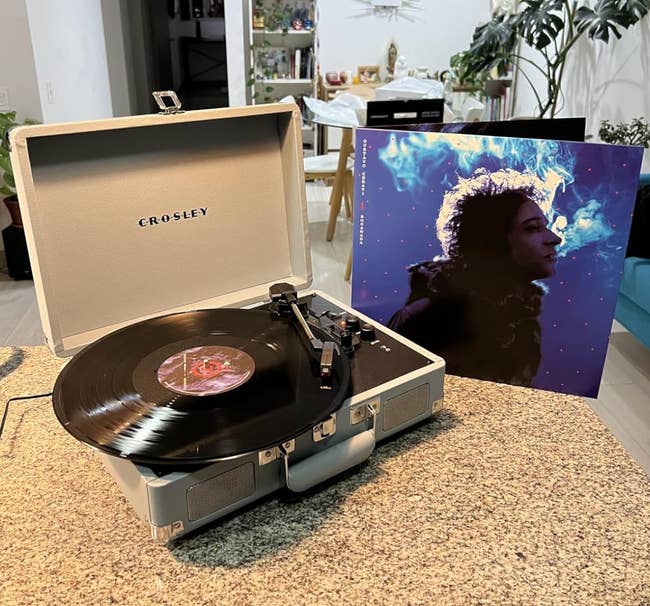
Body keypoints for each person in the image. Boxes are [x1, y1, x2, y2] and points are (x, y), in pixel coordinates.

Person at [388, 168, 562, 387]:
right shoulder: (427, 318)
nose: (555, 238)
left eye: (545, 227)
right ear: (493, 242)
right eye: (533, 228)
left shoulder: (525, 324)